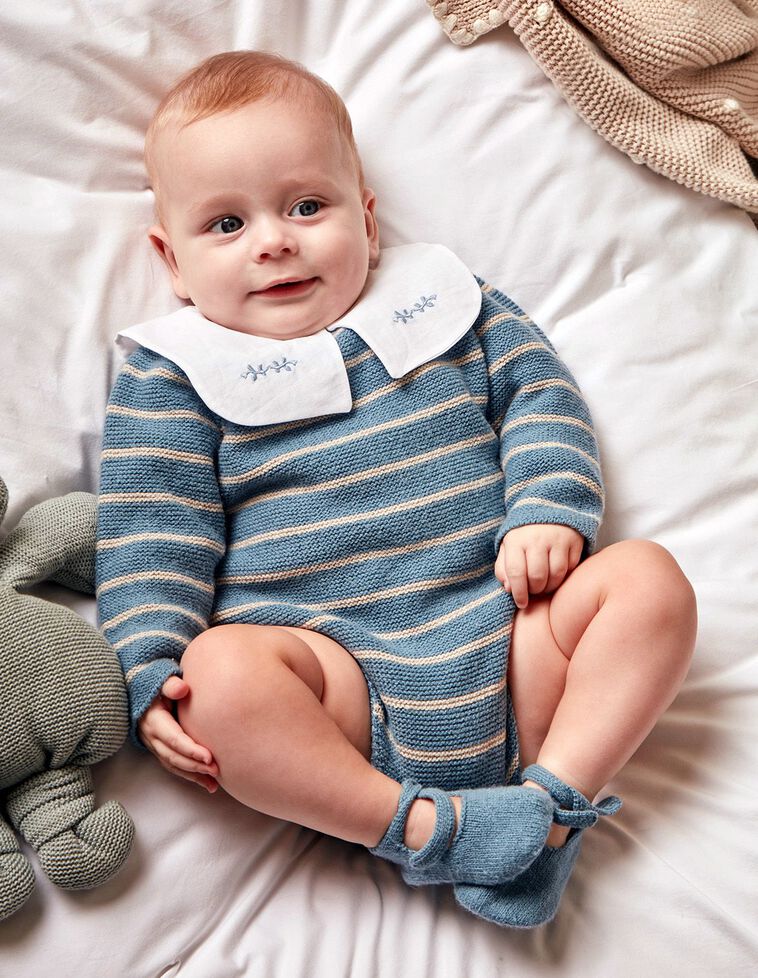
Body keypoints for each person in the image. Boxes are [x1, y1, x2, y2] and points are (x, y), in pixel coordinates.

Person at [96, 51, 696, 927]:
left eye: (308, 205)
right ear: (172, 261)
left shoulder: (444, 305)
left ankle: (550, 804)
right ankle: (421, 829)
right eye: (226, 224)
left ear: (367, 218)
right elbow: (152, 530)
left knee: (649, 583)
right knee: (218, 678)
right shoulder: (177, 375)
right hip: (342, 691)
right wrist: (150, 666)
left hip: (515, 636)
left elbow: (539, 395)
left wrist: (546, 508)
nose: (274, 240)